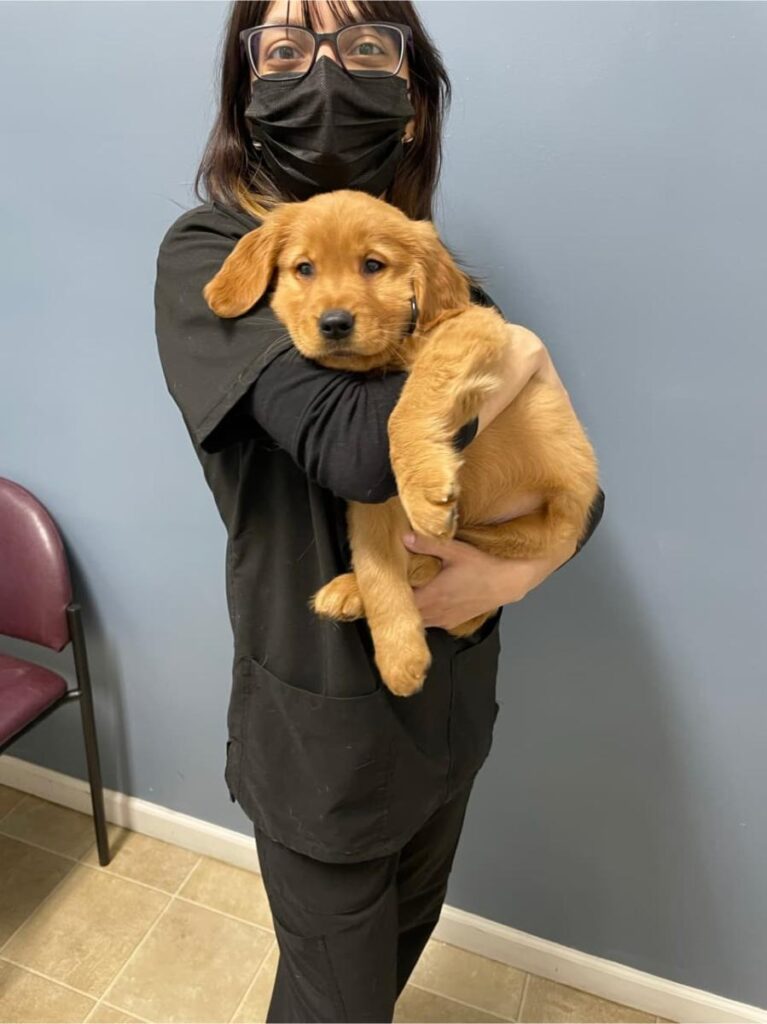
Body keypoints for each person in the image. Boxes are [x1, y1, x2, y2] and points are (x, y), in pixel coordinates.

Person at [154, 2, 606, 1020]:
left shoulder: (437, 279)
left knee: (389, 960)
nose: (322, 71)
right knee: (335, 1005)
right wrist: (514, 350)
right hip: (321, 729)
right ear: (245, 89)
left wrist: (514, 571)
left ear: (409, 102)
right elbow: (359, 452)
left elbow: (570, 479)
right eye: (284, 46)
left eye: (362, 46)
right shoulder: (215, 257)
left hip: (447, 705)